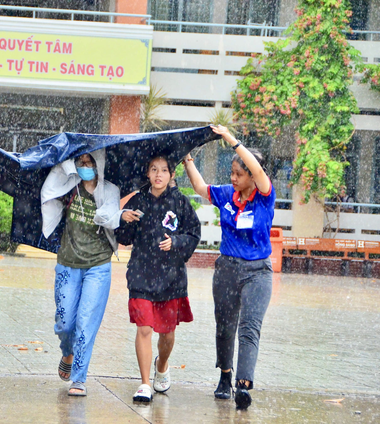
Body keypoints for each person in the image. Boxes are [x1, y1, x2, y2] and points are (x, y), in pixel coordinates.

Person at [184, 125, 275, 410]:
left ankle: (244, 384)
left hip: (258, 272)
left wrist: (230, 139)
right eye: (231, 174)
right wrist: (187, 160)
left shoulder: (264, 195)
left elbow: (260, 173)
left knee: (249, 327)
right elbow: (200, 188)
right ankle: (225, 374)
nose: (233, 178)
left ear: (251, 174)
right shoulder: (226, 194)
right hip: (226, 270)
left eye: (239, 174)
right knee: (225, 327)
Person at [115, 156, 200, 403]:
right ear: (148, 173)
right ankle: (143, 384)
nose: (159, 174)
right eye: (154, 169)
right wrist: (125, 220)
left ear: (172, 174)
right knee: (143, 328)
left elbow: (193, 233)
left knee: (167, 333)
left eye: (164, 170)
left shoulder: (180, 203)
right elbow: (125, 236)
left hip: (171, 278)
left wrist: (176, 242)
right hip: (141, 274)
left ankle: (161, 365)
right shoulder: (138, 200)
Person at [41, 150, 124, 396]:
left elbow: (109, 215)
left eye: (90, 162)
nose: (86, 165)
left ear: (99, 164)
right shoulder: (68, 186)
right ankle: (68, 351)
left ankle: (79, 378)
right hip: (68, 263)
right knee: (65, 323)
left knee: (86, 322)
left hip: (98, 265)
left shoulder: (110, 190)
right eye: (81, 162)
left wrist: (117, 215)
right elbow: (51, 188)